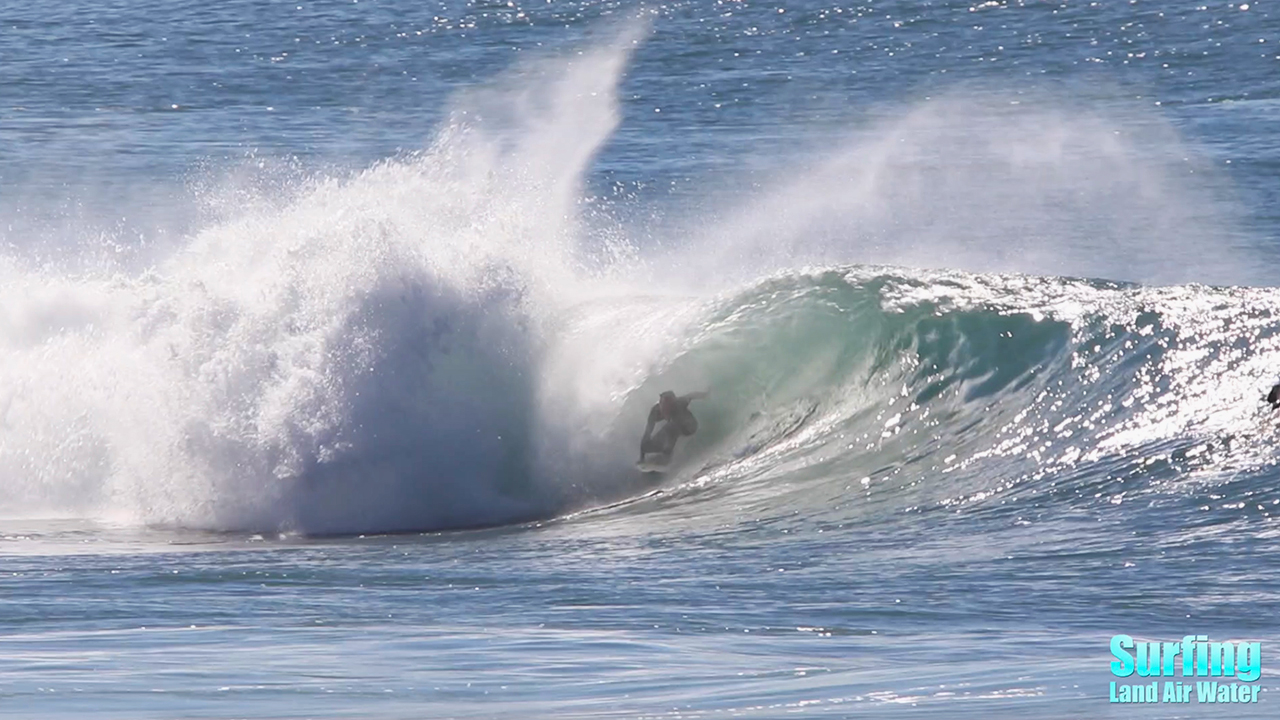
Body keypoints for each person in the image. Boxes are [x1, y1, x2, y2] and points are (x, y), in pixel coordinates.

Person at [639, 390, 709, 463]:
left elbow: (691, 395)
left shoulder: (679, 403)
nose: (668, 409)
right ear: (661, 405)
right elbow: (647, 434)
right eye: (665, 407)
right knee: (649, 443)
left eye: (670, 406)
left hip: (690, 426)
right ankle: (658, 458)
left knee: (671, 427)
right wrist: (642, 457)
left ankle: (666, 456)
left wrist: (705, 394)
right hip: (675, 427)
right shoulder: (655, 413)